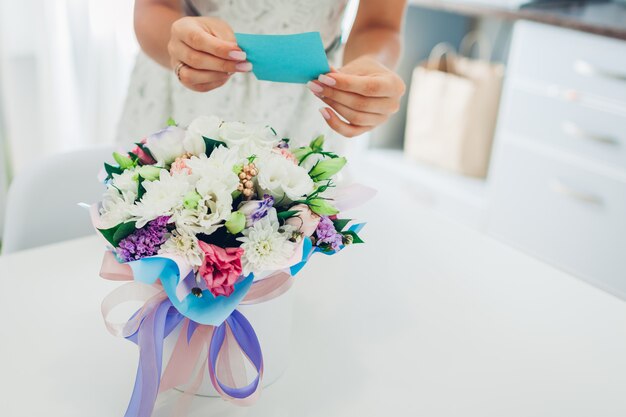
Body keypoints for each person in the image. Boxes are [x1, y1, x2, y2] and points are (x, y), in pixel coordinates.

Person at [117, 0, 407, 148]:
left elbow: (380, 24)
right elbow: (153, 6)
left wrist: (371, 67)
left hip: (307, 103)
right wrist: (178, 48)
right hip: (187, 81)